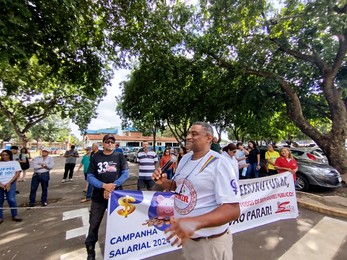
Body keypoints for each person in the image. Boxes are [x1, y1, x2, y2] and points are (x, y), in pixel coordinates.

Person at [152, 122, 240, 260]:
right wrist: (164, 182)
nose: (188, 137)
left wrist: (193, 223)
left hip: (209, 243)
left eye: (194, 134)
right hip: (189, 240)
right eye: (188, 133)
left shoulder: (220, 163)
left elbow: (233, 209)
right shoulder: (185, 158)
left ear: (209, 138)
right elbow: (181, 187)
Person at [85, 134, 129, 260]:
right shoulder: (96, 156)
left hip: (116, 196)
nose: (110, 144)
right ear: (103, 143)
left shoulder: (119, 156)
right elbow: (90, 176)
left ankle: (119, 249)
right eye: (107, 142)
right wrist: (104, 186)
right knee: (94, 223)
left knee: (118, 224)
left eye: (112, 142)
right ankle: (90, 250)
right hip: (98, 197)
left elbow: (125, 173)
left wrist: (112, 186)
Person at [0, 150, 22, 223]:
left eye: (6, 155)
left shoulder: (15, 163)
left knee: (11, 199)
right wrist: (1, 184)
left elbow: (17, 173)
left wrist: (9, 183)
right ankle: (0, 217)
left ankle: (15, 215)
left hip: (11, 183)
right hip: (0, 184)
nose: (4, 156)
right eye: (3, 155)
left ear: (9, 155)